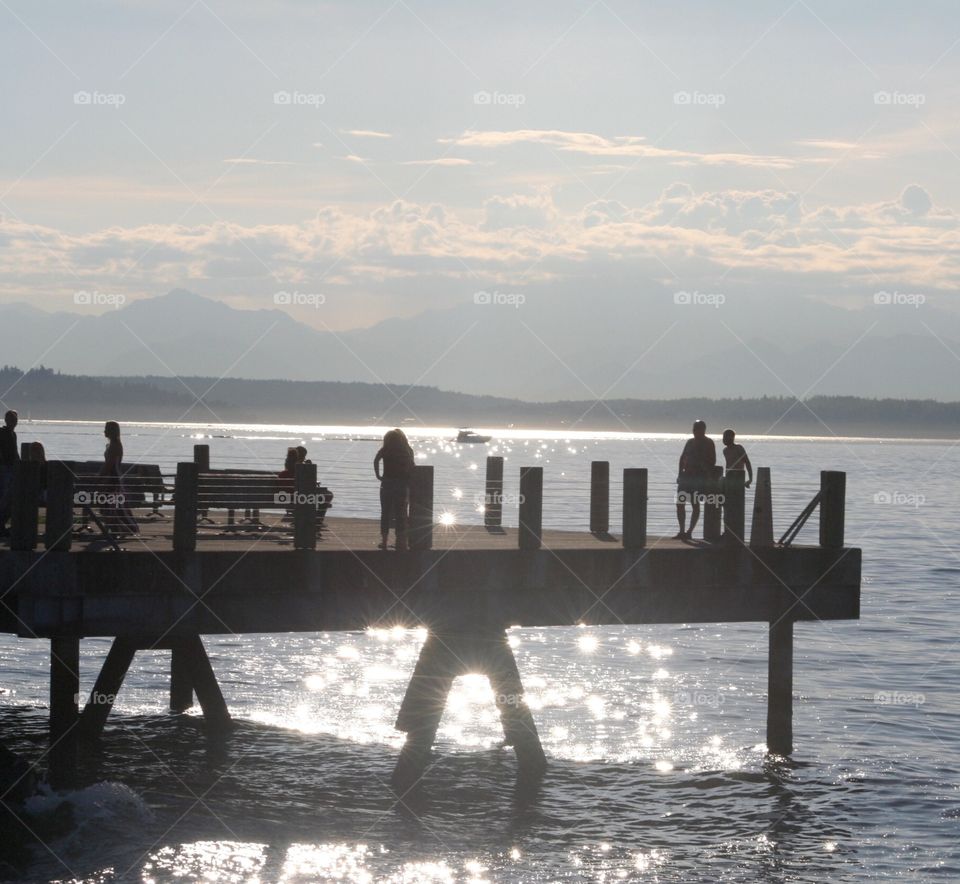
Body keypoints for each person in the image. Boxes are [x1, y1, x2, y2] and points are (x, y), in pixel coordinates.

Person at [675, 419, 716, 540]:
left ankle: (689, 531)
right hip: (686, 476)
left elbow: (712, 461)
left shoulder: (709, 442)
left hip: (699, 477)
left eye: (696, 429)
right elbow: (682, 457)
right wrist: (680, 474)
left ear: (703, 430)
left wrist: (705, 472)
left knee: (695, 504)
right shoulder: (690, 442)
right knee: (680, 503)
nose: (694, 431)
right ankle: (681, 531)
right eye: (693, 429)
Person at [374, 429, 414, 551]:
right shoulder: (406, 450)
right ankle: (400, 541)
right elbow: (412, 466)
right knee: (400, 513)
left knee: (385, 512)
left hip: (387, 483)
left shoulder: (386, 449)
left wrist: (378, 475)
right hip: (401, 484)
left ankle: (384, 541)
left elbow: (376, 460)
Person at [100, 421, 139, 535]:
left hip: (113, 478)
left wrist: (100, 476)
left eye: (107, 429)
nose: (104, 431)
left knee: (110, 505)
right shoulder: (112, 445)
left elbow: (109, 465)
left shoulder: (115, 446)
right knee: (111, 505)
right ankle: (115, 529)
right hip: (112, 477)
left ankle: (121, 529)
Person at [0, 410, 18, 537]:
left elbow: (15, 451)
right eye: (11, 419)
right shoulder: (2, 432)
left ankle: (2, 524)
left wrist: (20, 463)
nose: (13, 422)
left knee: (9, 498)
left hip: (12, 467)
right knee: (4, 497)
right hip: (4, 467)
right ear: (6, 420)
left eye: (15, 419)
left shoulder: (13, 434)